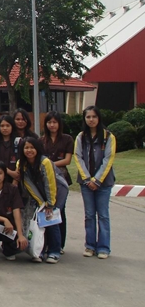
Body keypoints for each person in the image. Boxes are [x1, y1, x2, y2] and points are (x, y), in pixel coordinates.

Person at [74, 106, 116, 259]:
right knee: (89, 215)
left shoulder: (108, 136)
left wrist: (97, 180)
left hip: (103, 183)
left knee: (103, 215)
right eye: (88, 117)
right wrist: (87, 179)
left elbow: (108, 159)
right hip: (86, 183)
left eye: (94, 116)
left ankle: (104, 248)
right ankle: (90, 246)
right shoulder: (80, 137)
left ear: (99, 118)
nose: (91, 120)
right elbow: (78, 157)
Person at [18, 137, 69, 263]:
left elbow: (50, 183)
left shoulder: (45, 162)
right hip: (39, 193)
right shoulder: (21, 164)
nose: (29, 150)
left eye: (32, 147)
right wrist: (41, 203)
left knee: (50, 220)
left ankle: (54, 251)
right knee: (40, 220)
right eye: (26, 148)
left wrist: (50, 204)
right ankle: (39, 251)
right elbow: (28, 184)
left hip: (58, 190)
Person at [41, 111, 74, 251]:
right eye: (49, 122)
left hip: (61, 179)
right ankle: (46, 243)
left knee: (60, 210)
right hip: (46, 180)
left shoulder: (67, 139)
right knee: (47, 210)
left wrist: (49, 165)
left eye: (54, 122)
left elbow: (67, 160)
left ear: (59, 124)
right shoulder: (42, 140)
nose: (52, 125)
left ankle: (59, 244)